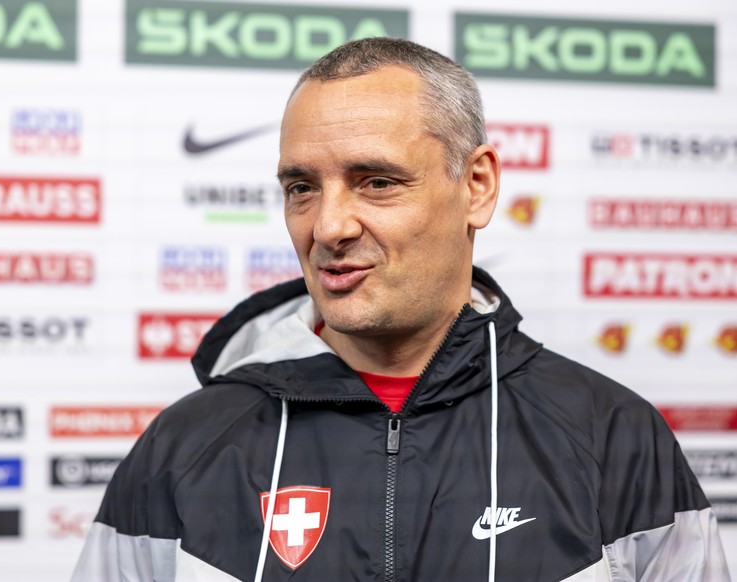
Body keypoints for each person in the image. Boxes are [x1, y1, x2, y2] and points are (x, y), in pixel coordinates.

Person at [71, 38, 729, 581]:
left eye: (376, 182)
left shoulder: (613, 440)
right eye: (301, 187)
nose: (327, 225)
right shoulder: (183, 448)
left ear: (476, 187)